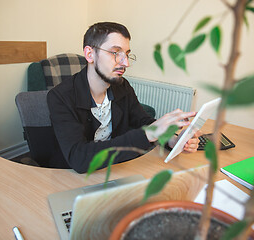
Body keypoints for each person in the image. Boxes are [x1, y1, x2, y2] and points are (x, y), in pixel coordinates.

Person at [47, 22, 201, 173]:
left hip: (114, 170)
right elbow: (78, 157)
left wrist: (172, 140)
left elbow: (143, 121)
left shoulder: (122, 86)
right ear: (90, 54)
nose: (125, 63)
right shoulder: (60, 97)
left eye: (127, 54)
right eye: (115, 53)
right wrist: (149, 134)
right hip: (71, 178)